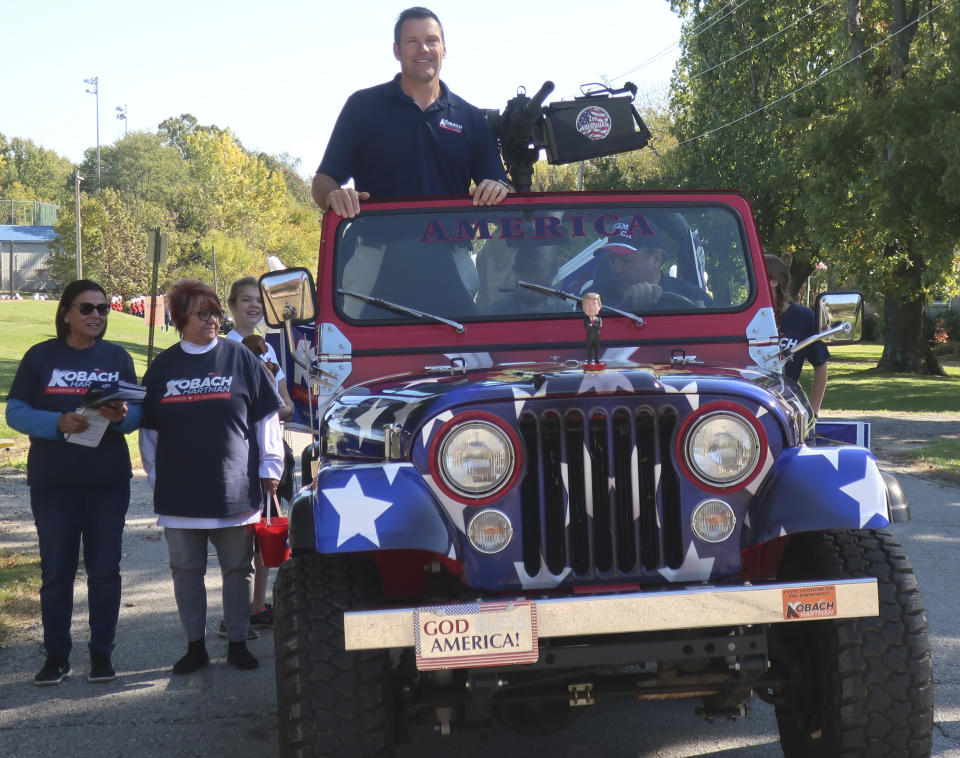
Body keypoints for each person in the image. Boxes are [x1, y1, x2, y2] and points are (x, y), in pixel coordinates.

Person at [139, 279, 284, 674]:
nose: (213, 320)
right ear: (180, 318)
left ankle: (238, 641)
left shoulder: (240, 358)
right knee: (186, 571)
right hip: (180, 495)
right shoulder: (163, 368)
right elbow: (149, 431)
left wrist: (271, 467)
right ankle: (195, 646)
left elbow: (266, 417)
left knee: (238, 571)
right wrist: (156, 477)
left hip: (233, 490)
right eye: (203, 314)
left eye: (216, 312)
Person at [5, 280, 142, 686]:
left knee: (105, 571)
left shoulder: (117, 356)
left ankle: (101, 654)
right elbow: (14, 412)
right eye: (86, 308)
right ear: (66, 312)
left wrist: (122, 417)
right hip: (53, 483)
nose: (96, 315)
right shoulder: (40, 356)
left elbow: (136, 415)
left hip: (107, 483)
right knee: (56, 571)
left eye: (103, 309)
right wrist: (55, 423)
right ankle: (56, 656)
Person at [312, 6, 512, 218]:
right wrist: (332, 196)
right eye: (412, 41)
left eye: (431, 40)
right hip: (374, 248)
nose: (423, 48)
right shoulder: (361, 106)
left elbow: (503, 190)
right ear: (397, 50)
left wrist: (500, 189)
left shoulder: (470, 118)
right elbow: (322, 181)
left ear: (443, 49)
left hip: (451, 248)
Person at [222, 276, 295, 636]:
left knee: (267, 531)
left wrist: (273, 408)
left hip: (270, 448)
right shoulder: (224, 348)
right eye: (246, 300)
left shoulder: (267, 348)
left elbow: (286, 403)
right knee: (239, 537)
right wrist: (269, 407)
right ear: (232, 306)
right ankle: (233, 613)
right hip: (241, 450)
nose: (253, 306)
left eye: (258, 301)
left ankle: (257, 606)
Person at [591, 222, 712, 310]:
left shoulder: (693, 297)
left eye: (626, 260)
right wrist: (623, 308)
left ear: (656, 259)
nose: (615, 269)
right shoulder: (593, 300)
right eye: (612, 260)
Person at [765, 254, 829, 415]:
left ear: (774, 281)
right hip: (747, 403)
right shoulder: (743, 316)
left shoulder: (803, 317)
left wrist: (813, 412)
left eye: (755, 277)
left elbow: (820, 365)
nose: (747, 283)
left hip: (786, 411)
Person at [582, 292, 603, 365]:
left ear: (599, 306)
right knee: (589, 350)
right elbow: (586, 327)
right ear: (583, 307)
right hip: (589, 338)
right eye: (588, 304)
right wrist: (592, 326)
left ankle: (597, 360)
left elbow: (600, 326)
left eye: (594, 304)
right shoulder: (586, 319)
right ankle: (589, 360)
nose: (591, 307)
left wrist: (591, 326)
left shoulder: (599, 319)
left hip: (597, 337)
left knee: (597, 349)